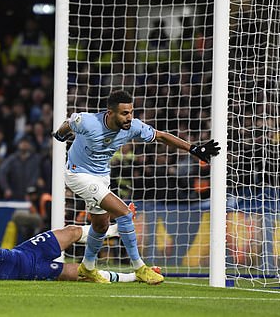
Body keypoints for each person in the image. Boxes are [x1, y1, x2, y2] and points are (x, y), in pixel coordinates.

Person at [52, 89, 220, 284]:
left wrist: (193, 149)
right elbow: (69, 123)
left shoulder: (133, 127)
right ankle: (140, 267)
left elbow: (162, 136)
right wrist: (60, 135)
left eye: (131, 112)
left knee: (100, 224)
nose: (129, 117)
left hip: (101, 177)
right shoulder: (88, 122)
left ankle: (87, 267)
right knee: (124, 213)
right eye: (124, 113)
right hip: (77, 173)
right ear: (110, 113)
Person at [0, 173, 154, 283]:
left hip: (26, 251)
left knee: (72, 231)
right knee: (85, 273)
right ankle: (134, 277)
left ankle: (116, 230)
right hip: (31, 271)